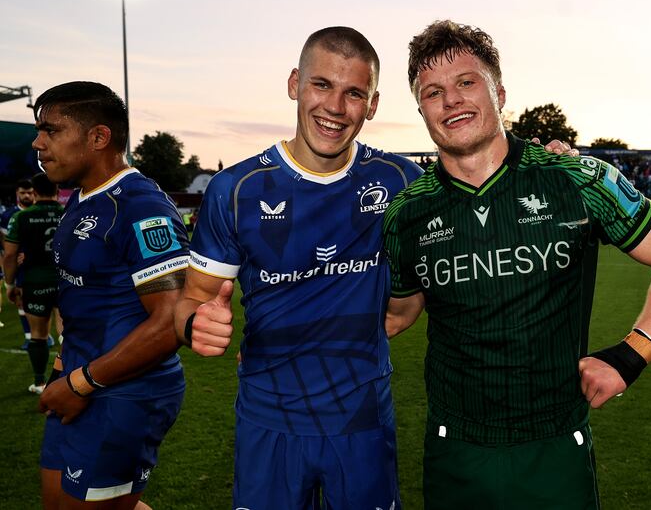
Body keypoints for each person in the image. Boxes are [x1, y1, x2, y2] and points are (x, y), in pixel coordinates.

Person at [175, 25, 579, 509]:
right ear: (293, 85)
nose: (335, 107)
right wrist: (195, 323)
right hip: (269, 420)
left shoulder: (401, 183)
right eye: (321, 85)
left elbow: (486, 179)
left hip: (363, 422)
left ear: (372, 105)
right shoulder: (235, 189)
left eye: (354, 94)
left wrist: (547, 163)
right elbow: (192, 300)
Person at [383, 20, 651, 509]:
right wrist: (286, 336)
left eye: (466, 82)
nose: (451, 100)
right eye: (433, 92)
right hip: (456, 448)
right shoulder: (406, 213)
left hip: (555, 445)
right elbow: (398, 313)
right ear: (422, 110)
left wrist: (630, 356)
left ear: (499, 92)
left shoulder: (576, 179)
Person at [33, 81, 189, 510]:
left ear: (99, 137)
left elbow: (171, 321)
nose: (38, 142)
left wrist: (82, 383)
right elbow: (81, 296)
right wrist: (64, 367)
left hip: (124, 393)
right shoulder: (81, 200)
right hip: (79, 378)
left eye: (51, 130)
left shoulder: (142, 208)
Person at [3, 172, 64, 394]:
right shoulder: (69, 213)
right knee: (67, 333)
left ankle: (39, 383)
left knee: (37, 335)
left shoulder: (21, 217)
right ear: (57, 190)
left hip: (34, 283)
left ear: (35, 192)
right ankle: (70, 379)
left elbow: (9, 255)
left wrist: (9, 284)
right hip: (67, 282)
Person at [0, 178, 35, 338]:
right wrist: (11, 254)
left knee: (53, 302)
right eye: (23, 193)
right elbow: (3, 239)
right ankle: (29, 336)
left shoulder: (39, 211)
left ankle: (44, 335)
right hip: (18, 264)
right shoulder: (8, 215)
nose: (26, 196)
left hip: (39, 262)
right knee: (20, 299)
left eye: (29, 192)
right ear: (17, 194)